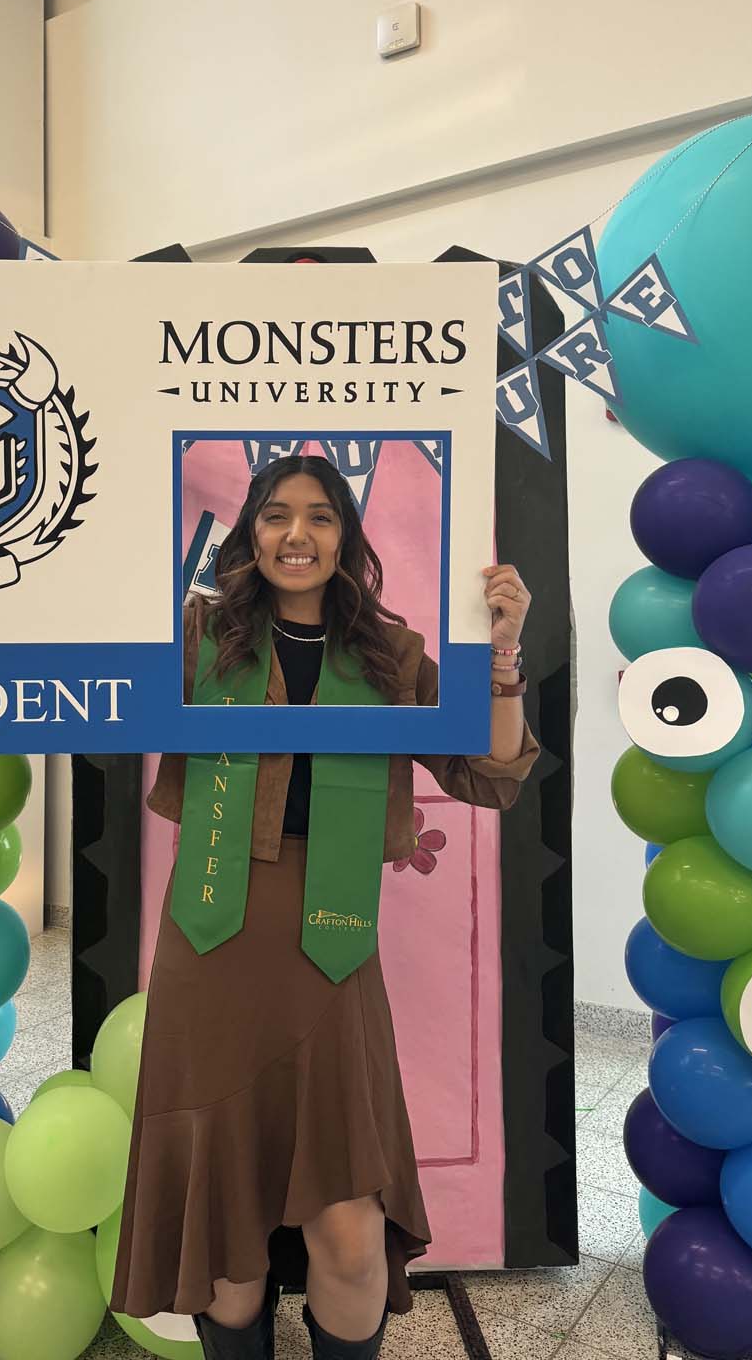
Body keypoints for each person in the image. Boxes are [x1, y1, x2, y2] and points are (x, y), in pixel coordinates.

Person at [112, 454, 539, 1360]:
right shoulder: (196, 637)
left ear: (346, 535)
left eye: (319, 516)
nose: (295, 535)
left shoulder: (390, 653)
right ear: (250, 533)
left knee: (348, 1237)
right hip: (211, 947)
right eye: (275, 516)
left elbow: (489, 770)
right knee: (226, 1254)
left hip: (331, 951)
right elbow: (41, 682)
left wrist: (502, 653)